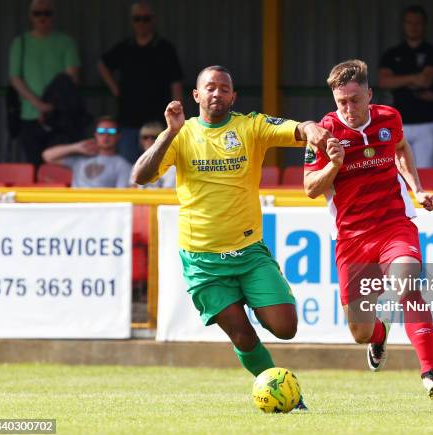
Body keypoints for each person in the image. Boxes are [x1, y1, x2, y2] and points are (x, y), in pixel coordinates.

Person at [131, 65, 330, 409]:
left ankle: (256, 307)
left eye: (224, 89)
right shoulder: (181, 135)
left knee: (286, 328)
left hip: (248, 253)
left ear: (233, 96)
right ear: (196, 95)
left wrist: (310, 127)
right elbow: (140, 176)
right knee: (242, 334)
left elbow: (294, 129)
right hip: (203, 260)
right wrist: (168, 133)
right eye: (210, 88)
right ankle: (285, 396)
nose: (217, 94)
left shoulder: (249, 126)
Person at [303, 59, 433, 398]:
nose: (349, 108)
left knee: (408, 283)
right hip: (352, 238)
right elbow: (310, 187)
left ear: (369, 94)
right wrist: (334, 165)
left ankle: (429, 372)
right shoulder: (324, 134)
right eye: (342, 102)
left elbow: (400, 148)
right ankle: (380, 335)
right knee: (359, 331)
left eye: (355, 99)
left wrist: (417, 188)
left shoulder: (389, 118)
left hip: (393, 225)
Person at [98, 1, 184, 164]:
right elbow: (102, 64)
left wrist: (177, 116)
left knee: (159, 166)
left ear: (153, 20)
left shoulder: (165, 48)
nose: (141, 23)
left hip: (158, 120)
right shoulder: (125, 47)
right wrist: (115, 88)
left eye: (146, 18)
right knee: (129, 167)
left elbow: (176, 83)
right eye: (137, 19)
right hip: (129, 120)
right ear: (132, 21)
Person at [9, 0, 81, 169]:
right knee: (33, 166)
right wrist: (39, 105)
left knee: (61, 168)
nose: (42, 17)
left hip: (59, 118)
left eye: (46, 13)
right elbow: (15, 78)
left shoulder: (66, 42)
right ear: (30, 16)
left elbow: (72, 77)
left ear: (53, 16)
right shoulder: (21, 42)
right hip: (29, 116)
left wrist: (51, 106)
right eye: (37, 13)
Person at [378, 5, 433, 168]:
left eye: (418, 23)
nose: (413, 27)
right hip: (399, 123)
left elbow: (425, 81)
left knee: (425, 173)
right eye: (409, 22)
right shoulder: (392, 53)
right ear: (403, 25)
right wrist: (414, 77)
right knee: (398, 172)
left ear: (424, 24)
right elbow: (384, 82)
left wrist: (399, 79)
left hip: (427, 123)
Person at [42, 116, 132, 188]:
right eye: (101, 131)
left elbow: (120, 197)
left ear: (118, 136)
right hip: (74, 207)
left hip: (100, 209)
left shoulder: (123, 165)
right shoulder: (81, 158)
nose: (106, 135)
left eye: (111, 131)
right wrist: (75, 147)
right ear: (95, 135)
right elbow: (47, 156)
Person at [136, 121, 176, 188]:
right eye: (145, 137)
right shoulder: (137, 164)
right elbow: (133, 189)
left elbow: (167, 193)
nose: (149, 140)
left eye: (153, 137)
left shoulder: (172, 166)